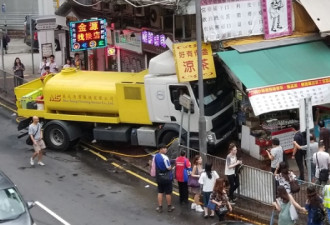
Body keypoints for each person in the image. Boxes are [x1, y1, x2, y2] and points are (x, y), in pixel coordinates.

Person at [154, 144, 175, 213]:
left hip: (159, 177)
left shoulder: (155, 156)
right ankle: (169, 207)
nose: (166, 149)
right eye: (164, 148)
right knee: (168, 193)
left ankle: (160, 207)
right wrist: (172, 167)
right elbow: (168, 167)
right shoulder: (165, 157)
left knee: (160, 192)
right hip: (166, 177)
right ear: (160, 149)